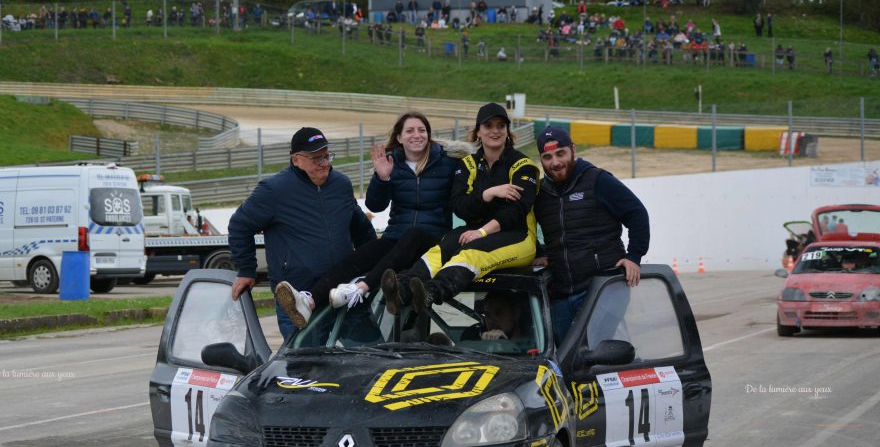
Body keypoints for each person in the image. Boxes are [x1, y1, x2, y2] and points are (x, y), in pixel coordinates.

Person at [272, 112, 461, 327]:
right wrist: (383, 178)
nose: (416, 135)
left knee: (413, 235)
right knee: (360, 256)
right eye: (409, 131)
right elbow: (375, 206)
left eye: (422, 130)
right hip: (397, 239)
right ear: (399, 138)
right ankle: (309, 301)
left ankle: (361, 288)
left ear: (429, 135)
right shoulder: (391, 164)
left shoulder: (447, 162)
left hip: (432, 242)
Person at [381, 103, 538, 316]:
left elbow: (516, 211)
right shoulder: (468, 164)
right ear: (478, 132)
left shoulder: (523, 165)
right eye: (488, 125)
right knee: (440, 250)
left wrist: (481, 231)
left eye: (501, 126)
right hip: (474, 231)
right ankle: (402, 290)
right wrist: (488, 194)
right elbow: (460, 207)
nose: (495, 130)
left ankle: (430, 293)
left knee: (471, 254)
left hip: (517, 235)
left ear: (507, 132)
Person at [228, 127, 376, 338]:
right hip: (297, 298)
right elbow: (239, 225)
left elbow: (362, 230)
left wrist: (373, 269)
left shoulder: (341, 185)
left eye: (326, 156)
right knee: (307, 367)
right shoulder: (274, 190)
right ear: (296, 160)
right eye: (316, 158)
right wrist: (245, 269)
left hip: (344, 292)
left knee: (369, 355)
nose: (324, 163)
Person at [532, 126, 650, 344]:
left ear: (573, 150)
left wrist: (634, 256)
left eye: (560, 154)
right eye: (547, 157)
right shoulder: (541, 193)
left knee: (593, 352)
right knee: (564, 358)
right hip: (562, 292)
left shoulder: (597, 180)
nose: (555, 162)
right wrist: (540, 251)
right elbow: (526, 227)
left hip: (602, 288)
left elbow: (637, 214)